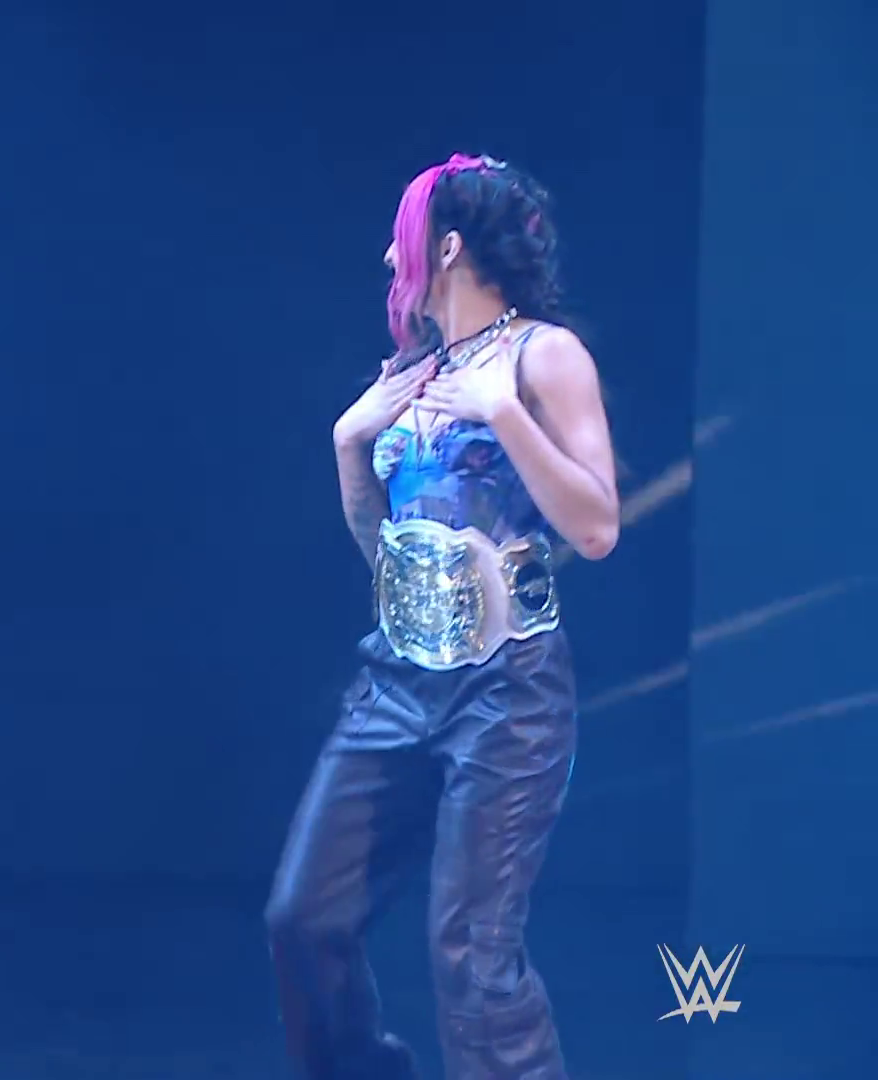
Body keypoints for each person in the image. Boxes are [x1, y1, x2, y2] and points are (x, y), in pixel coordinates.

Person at [265, 153, 619, 1080]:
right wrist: (350, 445)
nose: (392, 256)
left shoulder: (543, 356)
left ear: (450, 247)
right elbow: (387, 557)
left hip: (507, 695)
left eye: (405, 236)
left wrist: (505, 414)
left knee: (472, 958)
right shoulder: (412, 374)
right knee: (303, 918)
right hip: (396, 682)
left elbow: (597, 528)